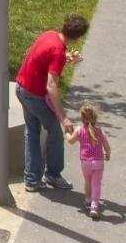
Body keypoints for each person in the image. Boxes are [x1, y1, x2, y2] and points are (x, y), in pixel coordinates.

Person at [17, 14, 89, 194]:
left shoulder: (49, 35)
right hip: (35, 95)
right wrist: (64, 118)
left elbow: (45, 55)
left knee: (32, 132)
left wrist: (65, 57)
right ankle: (53, 174)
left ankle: (32, 179)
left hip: (22, 88)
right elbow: (51, 86)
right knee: (55, 132)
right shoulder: (58, 53)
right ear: (78, 37)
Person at [71, 103, 111, 220]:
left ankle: (88, 201)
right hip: (98, 162)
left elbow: (71, 140)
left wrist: (67, 133)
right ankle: (94, 206)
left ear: (81, 118)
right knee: (96, 184)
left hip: (85, 162)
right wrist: (108, 154)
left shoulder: (79, 130)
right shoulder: (100, 131)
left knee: (88, 181)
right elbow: (107, 148)